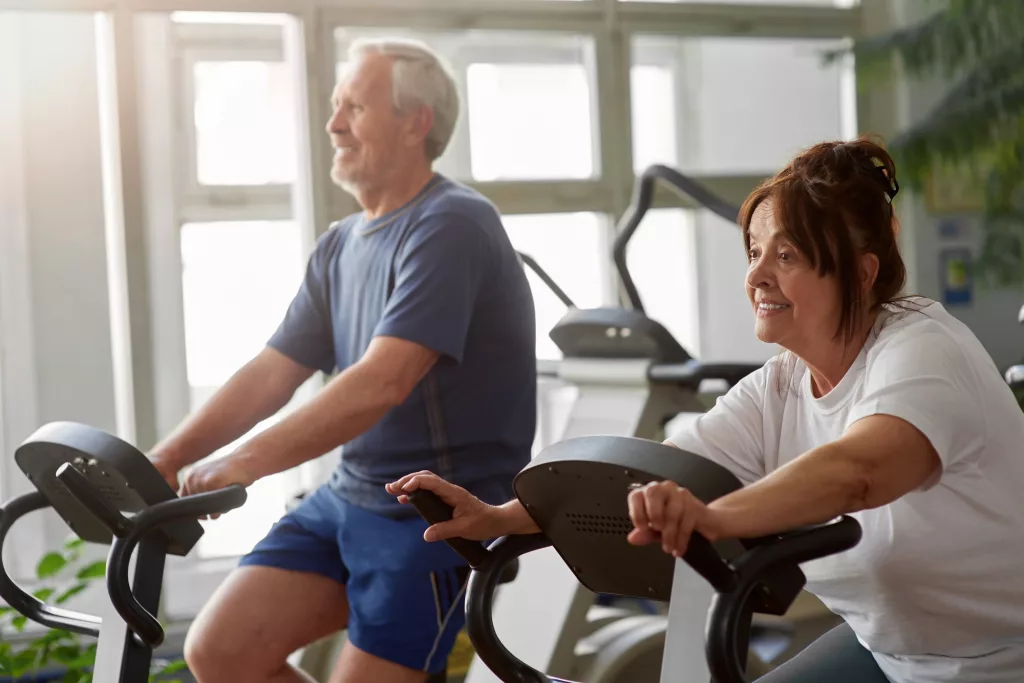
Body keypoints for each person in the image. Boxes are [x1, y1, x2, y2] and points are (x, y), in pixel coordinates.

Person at [387, 136, 1024, 683]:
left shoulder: (921, 350)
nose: (757, 277)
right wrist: (502, 517)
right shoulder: (781, 385)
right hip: (895, 656)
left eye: (787, 255)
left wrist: (711, 518)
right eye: (754, 252)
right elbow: (650, 472)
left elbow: (858, 471)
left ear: (861, 272)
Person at [149, 38, 538, 683]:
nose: (333, 125)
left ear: (416, 123)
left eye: (354, 107)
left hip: (434, 518)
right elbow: (272, 371)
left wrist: (239, 464)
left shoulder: (450, 225)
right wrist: (166, 457)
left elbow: (380, 383)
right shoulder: (341, 243)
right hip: (346, 500)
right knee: (220, 652)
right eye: (336, 108)